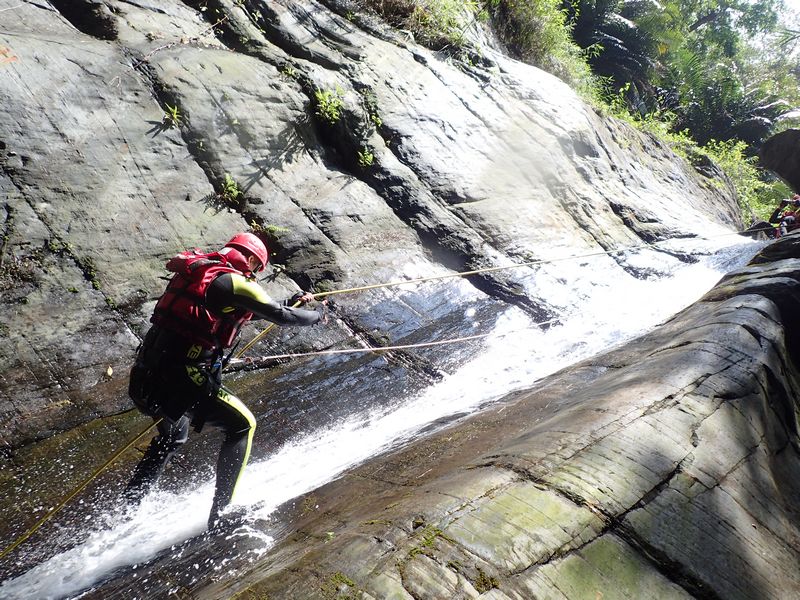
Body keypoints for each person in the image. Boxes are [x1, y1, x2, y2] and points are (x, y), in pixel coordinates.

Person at [125, 232, 322, 529]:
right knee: (243, 425)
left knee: (171, 437)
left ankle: (128, 509)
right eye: (256, 269)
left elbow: (247, 310)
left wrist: (292, 301)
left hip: (146, 374)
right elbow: (282, 317)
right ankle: (221, 514)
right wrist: (318, 315)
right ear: (251, 260)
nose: (254, 275)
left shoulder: (200, 272)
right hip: (181, 380)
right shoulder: (235, 282)